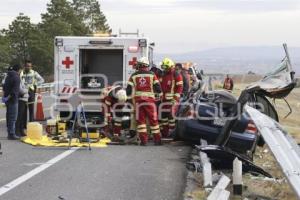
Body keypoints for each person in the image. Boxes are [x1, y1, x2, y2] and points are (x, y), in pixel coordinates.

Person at [126, 57, 162, 145]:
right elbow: (158, 88)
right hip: (149, 101)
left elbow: (128, 91)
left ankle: (143, 141)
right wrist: (158, 95)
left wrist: (129, 100)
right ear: (147, 65)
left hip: (138, 101)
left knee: (141, 121)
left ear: (139, 65)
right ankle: (157, 140)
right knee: (153, 120)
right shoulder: (152, 74)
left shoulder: (133, 75)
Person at [160, 58, 183, 138]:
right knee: (163, 117)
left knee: (171, 117)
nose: (164, 69)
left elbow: (179, 88)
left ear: (170, 66)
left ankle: (172, 133)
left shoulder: (176, 74)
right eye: (164, 67)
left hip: (172, 100)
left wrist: (175, 99)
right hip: (163, 100)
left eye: (166, 67)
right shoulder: (163, 74)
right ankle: (165, 134)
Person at [3, 64, 21, 140]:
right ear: (19, 70)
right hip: (13, 100)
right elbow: (14, 91)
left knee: (8, 116)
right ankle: (12, 134)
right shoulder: (16, 77)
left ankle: (9, 133)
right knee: (13, 118)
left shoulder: (7, 76)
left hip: (7, 100)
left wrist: (5, 97)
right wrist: (8, 97)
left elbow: (4, 87)